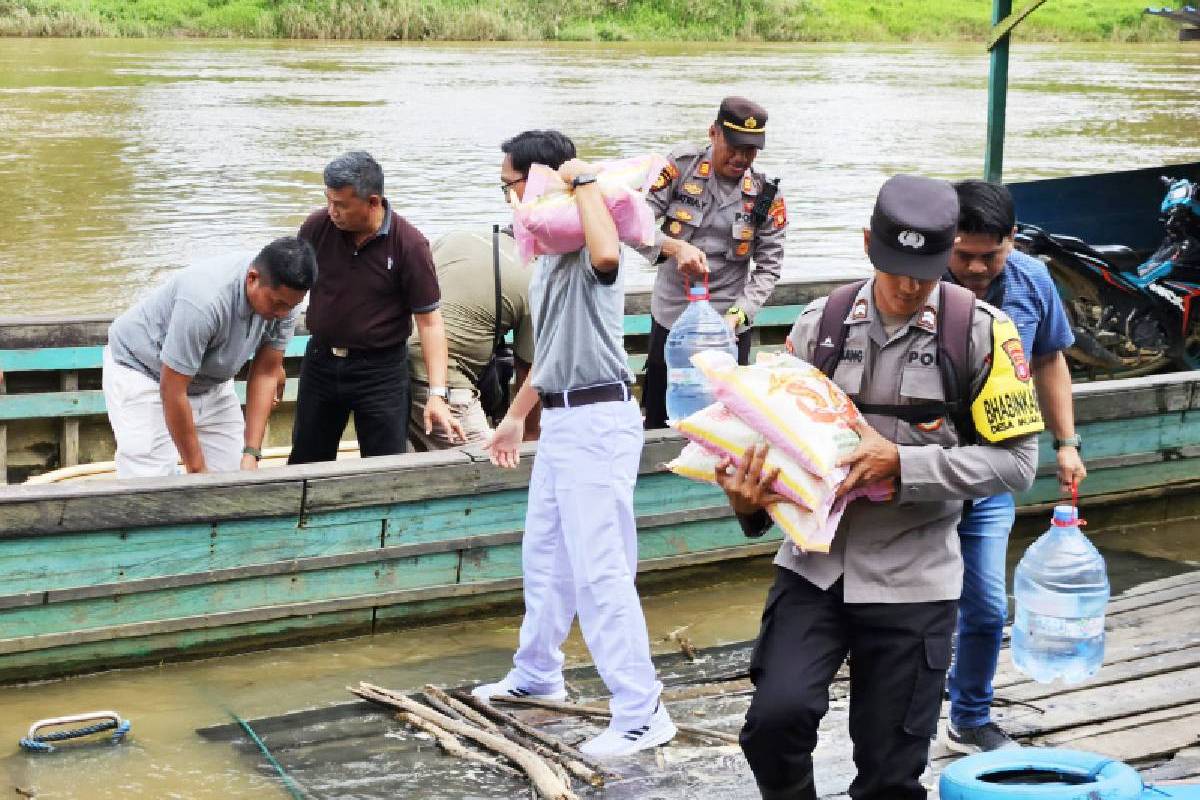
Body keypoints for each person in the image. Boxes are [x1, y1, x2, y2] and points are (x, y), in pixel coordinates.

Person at [721, 175, 1040, 800]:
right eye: (896, 268)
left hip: (915, 576)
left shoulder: (982, 333)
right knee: (772, 722)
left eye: (924, 270)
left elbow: (1018, 465)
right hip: (816, 566)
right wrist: (747, 501)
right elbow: (774, 445)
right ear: (869, 243)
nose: (909, 287)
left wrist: (905, 463)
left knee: (890, 774)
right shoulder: (821, 325)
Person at [473, 130, 676, 759]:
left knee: (600, 570)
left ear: (538, 182)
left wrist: (582, 180)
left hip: (598, 421)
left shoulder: (590, 234)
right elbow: (553, 350)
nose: (509, 198)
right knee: (546, 552)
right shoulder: (552, 248)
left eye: (511, 184)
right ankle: (538, 672)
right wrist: (515, 417)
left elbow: (612, 258)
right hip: (562, 420)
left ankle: (642, 712)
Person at [942, 179, 1088, 753]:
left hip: (995, 469)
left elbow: (1050, 358)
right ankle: (901, 712)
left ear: (1011, 240)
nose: (976, 268)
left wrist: (1067, 443)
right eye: (963, 255)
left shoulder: (1033, 279)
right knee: (912, 608)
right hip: (920, 471)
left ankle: (969, 715)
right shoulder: (917, 281)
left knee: (984, 605)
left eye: (990, 255)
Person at [288, 151, 463, 464]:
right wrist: (273, 359)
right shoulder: (317, 227)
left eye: (341, 205)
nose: (332, 212)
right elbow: (290, 292)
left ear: (372, 202)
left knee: (385, 464)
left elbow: (430, 323)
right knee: (306, 460)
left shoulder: (409, 245)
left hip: (380, 371)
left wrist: (438, 394)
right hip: (321, 361)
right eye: (328, 200)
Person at [103, 237, 315, 478]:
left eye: (290, 306)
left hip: (211, 380)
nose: (282, 314)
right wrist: (197, 469)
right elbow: (172, 389)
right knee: (151, 480)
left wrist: (251, 453)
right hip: (144, 371)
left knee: (235, 475)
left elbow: (267, 373)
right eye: (277, 304)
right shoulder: (204, 302)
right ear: (252, 279)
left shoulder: (286, 301)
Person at [641, 95, 788, 429]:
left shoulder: (767, 195)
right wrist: (675, 248)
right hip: (672, 318)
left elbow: (769, 267)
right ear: (713, 133)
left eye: (749, 151)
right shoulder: (680, 167)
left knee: (725, 422)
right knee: (661, 415)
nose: (740, 159)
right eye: (733, 147)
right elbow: (635, 226)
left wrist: (740, 314)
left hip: (727, 325)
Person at [407, 225, 537, 450]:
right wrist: (529, 435)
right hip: (445, 380)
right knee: (493, 463)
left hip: (392, 366)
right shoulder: (534, 278)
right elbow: (531, 370)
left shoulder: (457, 236)